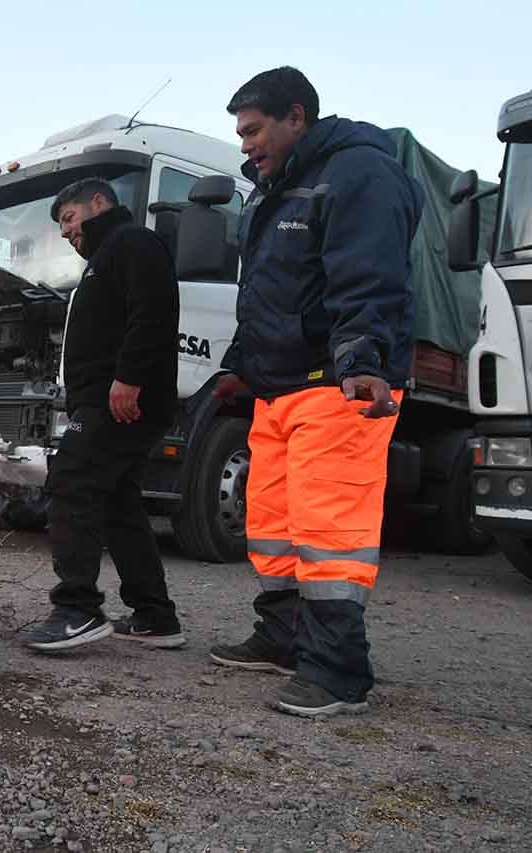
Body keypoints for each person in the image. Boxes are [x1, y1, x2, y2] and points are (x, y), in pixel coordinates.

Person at [209, 67, 422, 717]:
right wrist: (241, 361)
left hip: (337, 384)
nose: (244, 145)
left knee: (331, 528)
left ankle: (339, 672)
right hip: (278, 388)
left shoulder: (358, 173)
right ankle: (283, 637)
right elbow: (268, 291)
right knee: (274, 521)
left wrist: (363, 358)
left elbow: (368, 272)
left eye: (253, 130)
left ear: (295, 116)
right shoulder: (274, 190)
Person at [19, 178, 185, 652]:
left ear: (99, 203)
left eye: (69, 218)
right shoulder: (103, 260)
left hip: (119, 399)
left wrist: (129, 378)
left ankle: (78, 609)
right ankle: (155, 615)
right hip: (107, 398)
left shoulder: (131, 242)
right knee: (118, 503)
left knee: (71, 480)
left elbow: (153, 311)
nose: (67, 232)